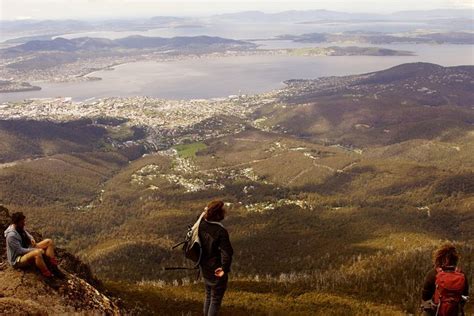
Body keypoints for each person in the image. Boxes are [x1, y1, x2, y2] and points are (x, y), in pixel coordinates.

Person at [198, 200, 234, 316]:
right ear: (219, 215)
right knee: (215, 299)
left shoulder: (201, 225)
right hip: (216, 269)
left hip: (205, 267)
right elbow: (227, 253)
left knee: (208, 295)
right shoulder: (220, 231)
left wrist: (204, 213)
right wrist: (224, 268)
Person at [4, 211, 63, 278]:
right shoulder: (11, 236)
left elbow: (26, 233)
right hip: (17, 259)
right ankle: (47, 274)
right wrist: (34, 249)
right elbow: (19, 251)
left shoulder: (18, 227)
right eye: (22, 222)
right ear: (16, 223)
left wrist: (31, 238)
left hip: (26, 248)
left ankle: (53, 266)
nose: (24, 224)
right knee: (37, 253)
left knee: (49, 242)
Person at [421, 244, 469, 316]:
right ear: (455, 259)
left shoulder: (433, 274)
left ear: (438, 258)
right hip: (455, 312)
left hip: (435, 312)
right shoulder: (462, 274)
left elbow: (425, 297)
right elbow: (465, 295)